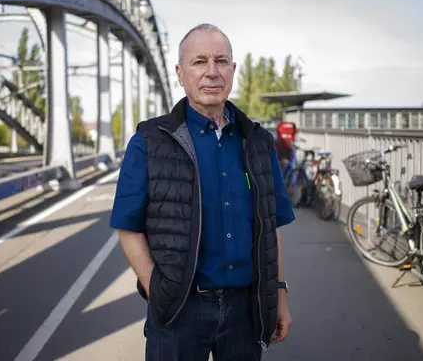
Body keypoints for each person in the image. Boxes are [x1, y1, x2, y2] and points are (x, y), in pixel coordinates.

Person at [109, 23, 295, 361]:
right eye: (199, 62)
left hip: (244, 311)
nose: (212, 72)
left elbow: (271, 227)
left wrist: (278, 296)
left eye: (222, 61)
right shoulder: (150, 141)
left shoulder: (257, 141)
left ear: (233, 70)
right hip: (180, 310)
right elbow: (127, 226)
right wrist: (158, 291)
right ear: (180, 73)